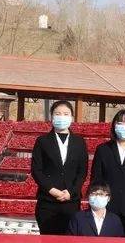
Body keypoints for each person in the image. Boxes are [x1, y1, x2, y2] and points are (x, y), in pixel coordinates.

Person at [31, 100, 88, 235]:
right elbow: (36, 170)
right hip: (48, 202)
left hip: (71, 201)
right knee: (48, 242)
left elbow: (82, 171)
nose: (62, 117)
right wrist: (52, 190)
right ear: (52, 117)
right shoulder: (42, 141)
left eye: (66, 114)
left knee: (69, 242)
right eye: (58, 113)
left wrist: (71, 192)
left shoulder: (79, 142)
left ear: (71, 117)